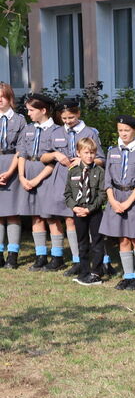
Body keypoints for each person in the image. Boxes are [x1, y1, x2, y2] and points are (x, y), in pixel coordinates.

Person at [99, 115, 135, 290]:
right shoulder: (112, 151)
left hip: (134, 198)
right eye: (120, 130)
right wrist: (112, 201)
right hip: (116, 198)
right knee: (123, 238)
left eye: (127, 130)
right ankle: (128, 275)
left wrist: (128, 202)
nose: (123, 134)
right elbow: (107, 178)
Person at [53, 100, 103, 276]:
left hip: (90, 183)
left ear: (78, 114)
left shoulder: (90, 132)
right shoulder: (57, 131)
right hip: (68, 181)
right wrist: (55, 154)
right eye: (64, 118)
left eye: (71, 117)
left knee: (94, 232)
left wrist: (83, 160)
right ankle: (78, 262)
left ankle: (99, 265)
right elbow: (44, 155)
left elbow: (101, 159)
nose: (67, 121)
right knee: (72, 222)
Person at [15, 93, 64, 271]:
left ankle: (57, 257)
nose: (28, 114)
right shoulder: (28, 129)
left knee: (51, 217)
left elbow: (54, 161)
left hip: (47, 177)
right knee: (36, 216)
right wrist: (22, 176)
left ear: (43, 110)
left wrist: (36, 179)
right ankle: (40, 255)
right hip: (28, 175)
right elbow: (21, 153)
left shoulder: (57, 131)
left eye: (31, 110)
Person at [63, 137, 106, 285]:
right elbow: (67, 194)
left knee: (97, 243)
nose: (89, 156)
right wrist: (74, 207)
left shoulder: (100, 172)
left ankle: (96, 273)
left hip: (94, 212)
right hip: (78, 212)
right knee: (82, 243)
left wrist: (89, 209)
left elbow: (102, 194)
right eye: (86, 152)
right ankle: (84, 271)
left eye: (92, 153)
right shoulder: (72, 171)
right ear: (78, 153)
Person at [0, 82, 29, 268]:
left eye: (2, 96)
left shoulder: (19, 121)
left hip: (12, 164)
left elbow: (21, 148)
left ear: (10, 99)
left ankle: (13, 254)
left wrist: (10, 171)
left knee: (12, 213)